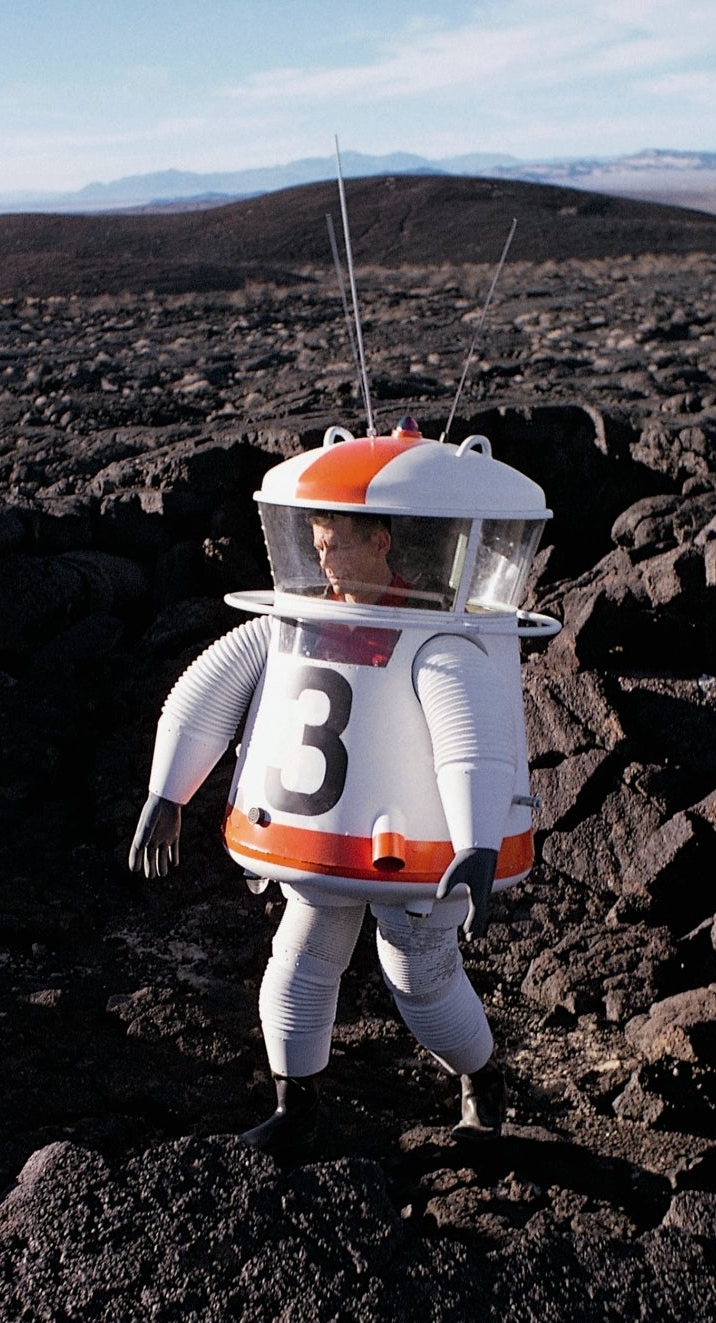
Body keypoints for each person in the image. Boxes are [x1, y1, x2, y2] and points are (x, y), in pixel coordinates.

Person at [128, 438, 536, 1159]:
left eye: (334, 545)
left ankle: (482, 1080)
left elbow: (470, 737)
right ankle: (296, 1105)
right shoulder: (297, 625)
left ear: (380, 541)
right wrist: (169, 790)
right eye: (312, 544)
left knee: (420, 979)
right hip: (322, 837)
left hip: (420, 846)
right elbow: (207, 693)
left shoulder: (442, 640)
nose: (320, 562)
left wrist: (475, 844)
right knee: (299, 960)